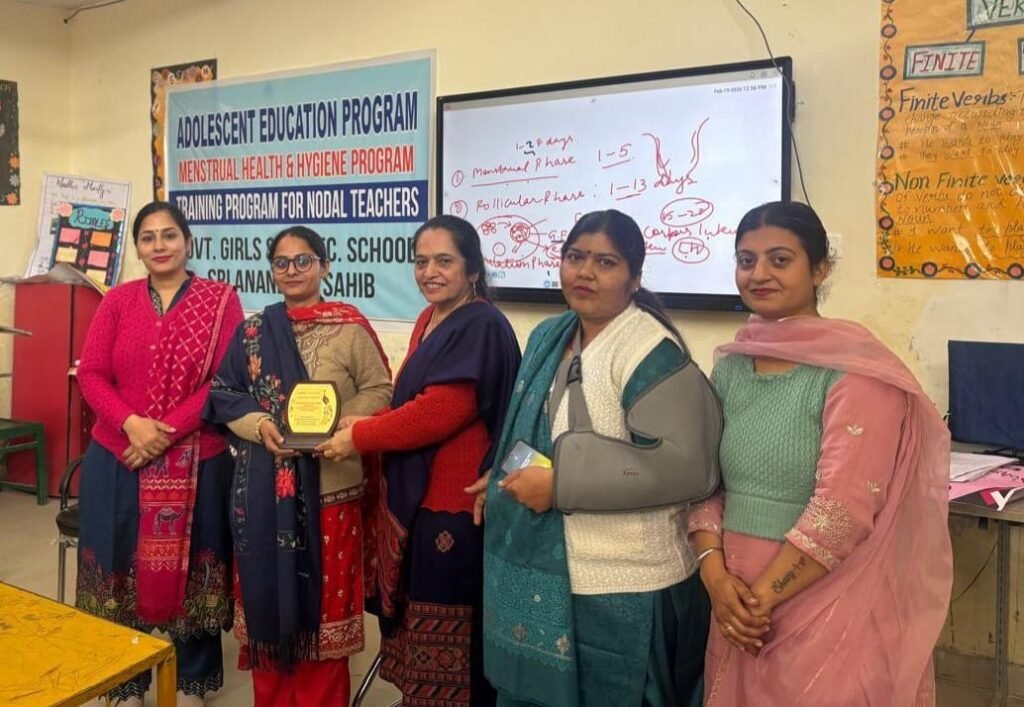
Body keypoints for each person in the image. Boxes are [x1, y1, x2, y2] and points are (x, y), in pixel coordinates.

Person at [688, 201, 953, 706]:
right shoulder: (730, 367)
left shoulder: (855, 372)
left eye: (780, 260)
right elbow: (704, 485)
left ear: (819, 269)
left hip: (823, 600)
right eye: (746, 260)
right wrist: (717, 580)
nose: (759, 273)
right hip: (735, 599)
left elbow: (843, 509)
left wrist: (756, 602)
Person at [480, 209, 712, 707]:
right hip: (558, 572)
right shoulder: (551, 336)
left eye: (605, 262)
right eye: (574, 257)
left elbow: (684, 467)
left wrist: (560, 485)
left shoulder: (650, 350)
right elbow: (535, 432)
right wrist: (504, 477)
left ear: (634, 277)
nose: (584, 272)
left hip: (626, 584)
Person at [316, 214, 521, 706]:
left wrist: (361, 436)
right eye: (421, 261)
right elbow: (412, 403)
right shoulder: (431, 319)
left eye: (444, 261)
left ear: (472, 269)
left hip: (453, 504)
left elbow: (441, 412)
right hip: (420, 501)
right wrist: (360, 422)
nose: (430, 271)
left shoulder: (482, 323)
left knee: (451, 622)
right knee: (420, 618)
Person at [203, 226, 393, 706]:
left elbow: (380, 389)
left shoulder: (350, 327)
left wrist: (351, 422)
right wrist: (262, 425)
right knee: (267, 613)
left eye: (303, 261)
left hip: (330, 491)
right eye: (282, 263)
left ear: (325, 266)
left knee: (323, 616)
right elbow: (224, 393)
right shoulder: (252, 332)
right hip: (264, 492)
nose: (292, 271)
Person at [75, 201, 244, 705]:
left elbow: (224, 381)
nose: (159, 246)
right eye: (148, 238)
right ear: (138, 247)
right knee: (117, 558)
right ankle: (124, 677)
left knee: (195, 563)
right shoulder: (118, 302)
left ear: (187, 241)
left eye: (169, 235)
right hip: (117, 454)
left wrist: (163, 433)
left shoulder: (220, 302)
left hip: (197, 455)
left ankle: (192, 678)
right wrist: (131, 424)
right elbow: (91, 373)